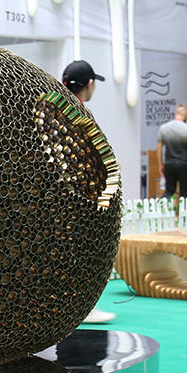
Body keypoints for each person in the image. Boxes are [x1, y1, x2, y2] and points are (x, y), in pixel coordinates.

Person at [61, 59, 115, 325]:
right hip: (76, 195)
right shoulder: (80, 114)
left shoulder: (54, 107)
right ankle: (83, 309)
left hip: (58, 194)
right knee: (83, 250)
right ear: (90, 84)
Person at [156, 103, 187, 199]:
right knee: (184, 194)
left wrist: (161, 165)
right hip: (183, 164)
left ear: (176, 113)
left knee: (169, 192)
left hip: (169, 164)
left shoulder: (164, 128)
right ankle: (182, 209)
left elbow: (159, 149)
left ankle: (161, 206)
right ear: (186, 114)